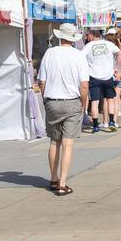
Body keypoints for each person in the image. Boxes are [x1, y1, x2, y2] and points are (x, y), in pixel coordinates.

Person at [36, 22, 89, 196]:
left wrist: (46, 98)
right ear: (74, 38)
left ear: (60, 36)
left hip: (52, 100)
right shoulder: (78, 55)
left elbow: (41, 81)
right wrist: (83, 103)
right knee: (68, 144)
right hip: (72, 100)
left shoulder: (49, 53)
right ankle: (63, 183)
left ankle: (53, 178)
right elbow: (84, 84)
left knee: (54, 141)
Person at [82, 28, 119, 133]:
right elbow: (120, 53)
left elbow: (80, 58)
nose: (86, 37)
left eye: (87, 35)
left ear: (92, 35)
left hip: (94, 76)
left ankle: (95, 126)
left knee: (95, 101)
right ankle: (111, 122)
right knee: (110, 99)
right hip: (108, 76)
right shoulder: (108, 44)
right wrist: (116, 67)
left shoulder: (88, 46)